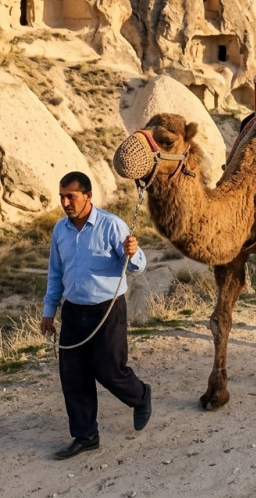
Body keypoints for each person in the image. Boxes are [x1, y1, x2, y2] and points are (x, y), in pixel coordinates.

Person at [41, 172, 151, 460]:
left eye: (71, 196)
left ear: (87, 196)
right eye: (62, 196)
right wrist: (49, 311)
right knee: (73, 376)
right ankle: (86, 436)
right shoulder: (60, 231)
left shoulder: (111, 225)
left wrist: (134, 252)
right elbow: (55, 273)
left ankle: (140, 396)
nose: (65, 202)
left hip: (107, 309)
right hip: (73, 310)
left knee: (109, 370)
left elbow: (137, 266)